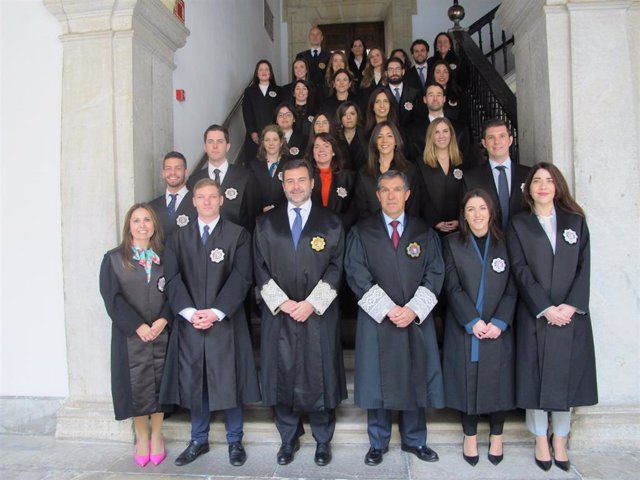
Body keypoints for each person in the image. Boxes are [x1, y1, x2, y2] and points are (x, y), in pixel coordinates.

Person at [345, 170, 445, 466]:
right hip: (378, 321)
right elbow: (356, 273)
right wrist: (388, 309)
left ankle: (415, 440)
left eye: (397, 189)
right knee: (377, 380)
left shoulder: (423, 233)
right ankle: (378, 442)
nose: (391, 195)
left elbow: (435, 273)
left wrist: (413, 309)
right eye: (385, 190)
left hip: (414, 320)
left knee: (415, 377)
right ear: (377, 195)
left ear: (407, 194)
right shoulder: (362, 232)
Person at [160, 178, 260, 467]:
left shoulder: (238, 235)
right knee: (196, 381)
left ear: (220, 200)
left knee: (230, 382)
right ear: (193, 201)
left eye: (211, 197)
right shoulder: (178, 238)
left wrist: (216, 311)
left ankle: (235, 440)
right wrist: (190, 313)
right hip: (190, 322)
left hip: (225, 322)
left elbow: (242, 277)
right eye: (200, 197)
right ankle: (198, 439)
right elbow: (173, 278)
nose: (206, 202)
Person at [253, 159, 347, 467]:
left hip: (318, 313)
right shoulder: (266, 223)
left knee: (319, 374)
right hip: (280, 313)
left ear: (312, 183)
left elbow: (336, 267)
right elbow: (260, 268)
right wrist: (282, 302)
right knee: (283, 374)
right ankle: (288, 438)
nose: (296, 186)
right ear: (283, 186)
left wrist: (311, 303)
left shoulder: (331, 221)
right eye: (289, 181)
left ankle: (322, 440)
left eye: (301, 180)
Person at [507, 162, 597, 472]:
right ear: (528, 188)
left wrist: (570, 306)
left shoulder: (575, 222)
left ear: (557, 186)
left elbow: (584, 267)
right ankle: (540, 438)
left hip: (570, 316)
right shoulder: (518, 225)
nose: (543, 186)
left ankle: (560, 437)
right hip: (536, 314)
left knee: (566, 378)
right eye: (537, 181)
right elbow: (519, 270)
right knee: (534, 378)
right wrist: (545, 307)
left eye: (549, 180)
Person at [442, 189, 517, 467]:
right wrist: (472, 321)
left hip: (499, 327)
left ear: (491, 212)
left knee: (498, 382)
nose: (477, 214)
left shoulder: (507, 242)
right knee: (467, 381)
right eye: (471, 209)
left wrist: (499, 321)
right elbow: (451, 286)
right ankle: (470, 435)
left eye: (482, 208)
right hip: (465, 325)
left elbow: (513, 286)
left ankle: (497, 436)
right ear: (463, 214)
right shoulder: (451, 243)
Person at [99, 203, 171, 467]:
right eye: (137, 220)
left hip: (162, 332)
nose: (142, 225)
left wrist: (164, 318)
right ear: (128, 226)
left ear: (154, 225)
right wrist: (137, 325)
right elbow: (112, 298)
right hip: (130, 336)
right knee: (136, 386)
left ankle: (157, 436)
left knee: (161, 383)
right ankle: (142, 436)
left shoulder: (166, 256)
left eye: (147, 220)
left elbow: (175, 290)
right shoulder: (114, 259)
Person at [187, 124, 260, 233]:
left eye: (220, 141)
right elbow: (192, 218)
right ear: (205, 147)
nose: (215, 146)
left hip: (237, 243)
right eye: (210, 142)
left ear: (228, 146)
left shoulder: (246, 177)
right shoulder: (193, 180)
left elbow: (253, 216)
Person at [463, 119, 529, 231]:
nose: (497, 142)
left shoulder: (529, 175)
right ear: (484, 143)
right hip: (488, 243)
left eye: (502, 136)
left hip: (524, 240)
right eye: (491, 137)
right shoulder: (470, 178)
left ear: (510, 140)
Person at [354, 120, 423, 220]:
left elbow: (414, 209)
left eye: (389, 136)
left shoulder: (410, 171)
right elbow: (361, 210)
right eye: (379, 136)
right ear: (374, 142)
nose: (384, 140)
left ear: (396, 141)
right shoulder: (363, 173)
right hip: (372, 231)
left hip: (404, 231)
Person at [417, 118, 464, 235]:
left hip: (460, 229)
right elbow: (421, 196)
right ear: (430, 136)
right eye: (436, 132)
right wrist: (435, 222)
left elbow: (467, 193)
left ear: (451, 134)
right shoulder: (420, 164)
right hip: (432, 229)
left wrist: (461, 219)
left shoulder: (464, 161)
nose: (441, 136)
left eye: (445, 131)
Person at [307, 132, 357, 230]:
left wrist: (339, 226)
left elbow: (354, 209)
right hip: (311, 230)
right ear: (312, 153)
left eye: (326, 146)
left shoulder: (348, 177)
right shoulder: (305, 177)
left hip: (341, 230)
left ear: (333, 151)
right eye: (316, 147)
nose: (321, 150)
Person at [148, 151, 197, 238]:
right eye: (168, 168)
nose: (173, 173)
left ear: (186, 172)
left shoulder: (198, 203)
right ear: (163, 173)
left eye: (178, 168)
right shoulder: (152, 206)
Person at [242, 60, 282, 161]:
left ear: (271, 73)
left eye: (266, 69)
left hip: (274, 134)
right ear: (257, 73)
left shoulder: (279, 91)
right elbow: (247, 113)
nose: (264, 72)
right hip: (255, 136)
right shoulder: (249, 91)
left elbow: (281, 112)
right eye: (260, 69)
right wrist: (253, 132)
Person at [246, 124, 289, 212]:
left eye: (275, 139)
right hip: (259, 216)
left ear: (281, 142)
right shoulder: (253, 166)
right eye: (267, 140)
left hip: (285, 214)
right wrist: (262, 209)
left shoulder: (290, 164)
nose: (271, 143)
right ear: (263, 143)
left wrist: (277, 208)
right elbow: (250, 195)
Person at [384, 56, 419, 129]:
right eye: (391, 69)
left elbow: (417, 120)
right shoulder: (381, 94)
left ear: (403, 71)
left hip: (410, 137)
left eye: (397, 69)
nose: (394, 73)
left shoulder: (414, 94)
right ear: (386, 73)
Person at [295, 26, 331, 93]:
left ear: (322, 38)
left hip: (324, 92)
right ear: (309, 38)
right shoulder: (301, 56)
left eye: (317, 34)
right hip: (306, 92)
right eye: (312, 34)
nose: (315, 37)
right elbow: (297, 76)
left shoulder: (329, 56)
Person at [335, 101, 368, 171]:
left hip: (363, 177)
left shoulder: (366, 135)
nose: (349, 117)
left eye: (352, 114)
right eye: (344, 114)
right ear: (340, 118)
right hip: (341, 178)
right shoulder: (335, 138)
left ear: (357, 116)